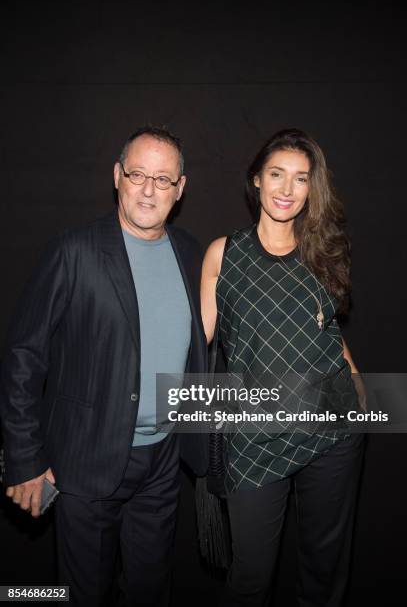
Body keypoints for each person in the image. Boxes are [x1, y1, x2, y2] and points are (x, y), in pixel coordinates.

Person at [1, 126, 208, 606]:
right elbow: (23, 356)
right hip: (85, 460)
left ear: (181, 189)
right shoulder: (73, 251)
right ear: (117, 176)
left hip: (162, 463)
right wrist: (25, 458)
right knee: (82, 594)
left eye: (163, 178)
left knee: (151, 591)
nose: (149, 189)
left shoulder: (191, 253)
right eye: (138, 174)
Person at [200, 128, 365, 607]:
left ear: (313, 188)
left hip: (330, 429)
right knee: (251, 578)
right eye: (277, 175)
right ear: (256, 180)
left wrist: (357, 385)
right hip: (254, 437)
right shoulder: (224, 254)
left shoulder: (324, 251)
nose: (287, 190)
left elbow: (328, 331)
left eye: (301, 179)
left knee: (322, 572)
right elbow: (195, 344)